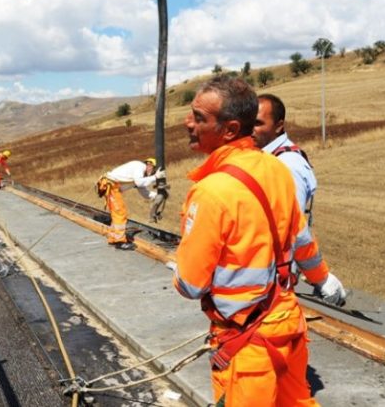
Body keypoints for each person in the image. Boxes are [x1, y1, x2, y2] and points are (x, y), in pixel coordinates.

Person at [173, 76, 319, 406]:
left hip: (247, 344)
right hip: (288, 324)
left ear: (230, 129)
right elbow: (302, 237)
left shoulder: (211, 192)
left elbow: (190, 285)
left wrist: (180, 264)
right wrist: (322, 279)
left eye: (198, 117)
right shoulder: (277, 169)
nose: (187, 122)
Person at [253, 93, 346, 306]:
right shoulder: (264, 158)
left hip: (273, 282)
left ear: (279, 126)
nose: (250, 129)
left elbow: (294, 227)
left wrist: (321, 279)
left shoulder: (286, 166)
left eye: (258, 123)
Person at [96, 158, 165, 250]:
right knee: (120, 213)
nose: (153, 172)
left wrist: (157, 196)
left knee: (117, 214)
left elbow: (145, 192)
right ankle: (119, 242)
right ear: (150, 166)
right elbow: (140, 183)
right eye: (154, 170)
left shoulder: (139, 175)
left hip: (112, 187)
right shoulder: (140, 166)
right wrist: (155, 177)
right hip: (111, 186)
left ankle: (114, 238)